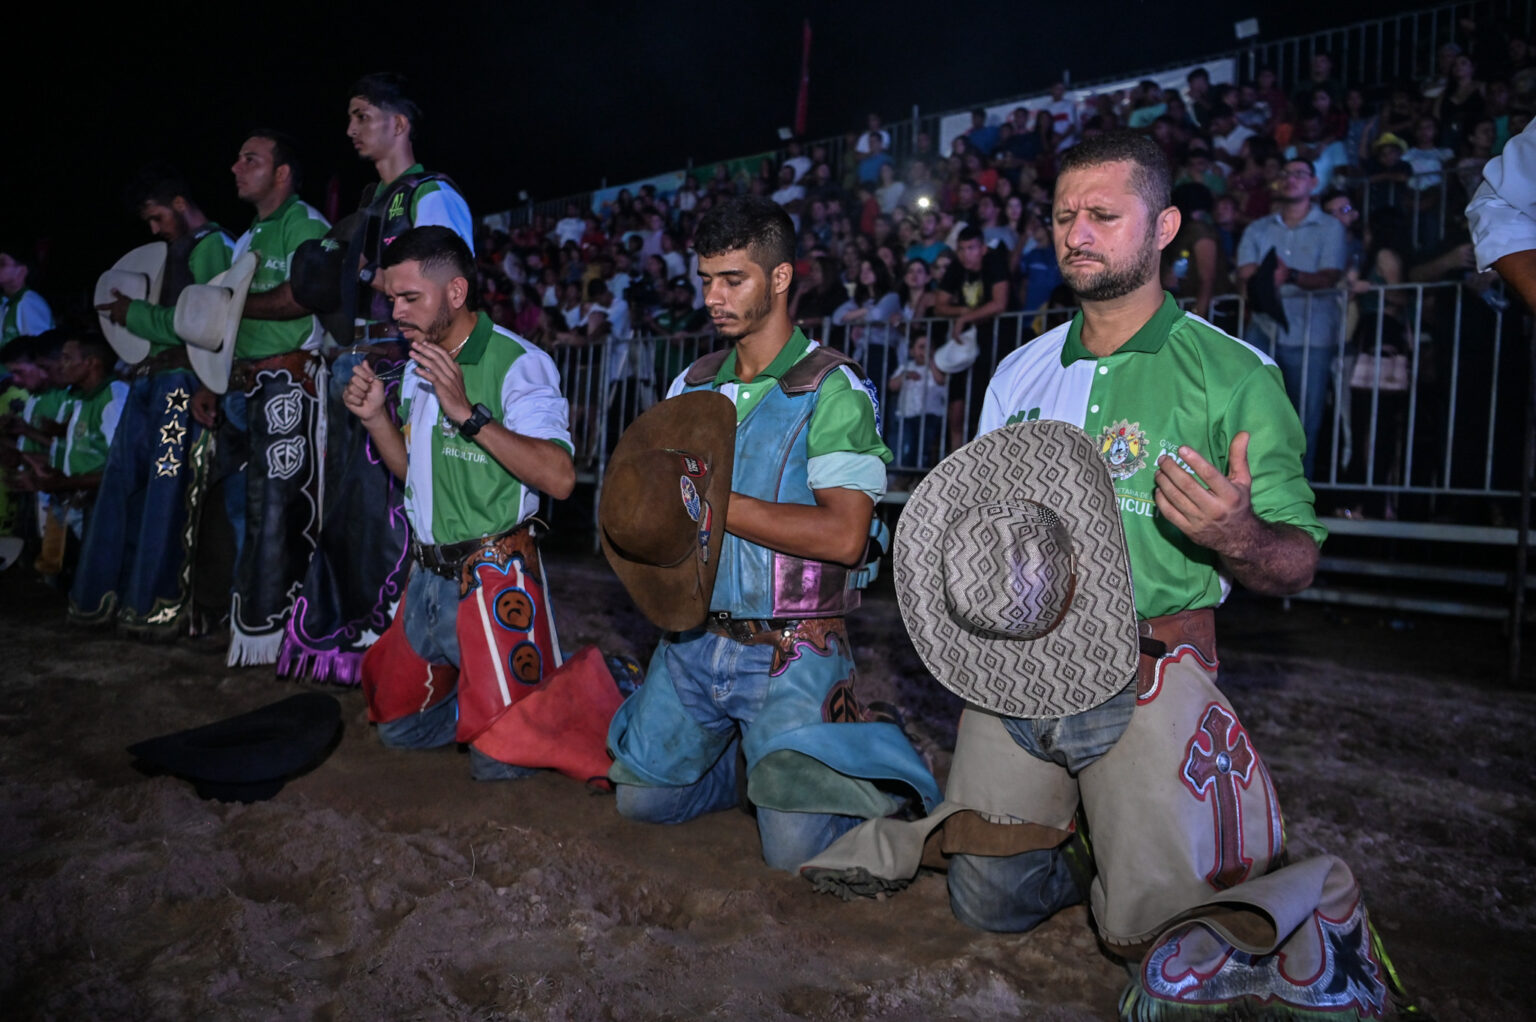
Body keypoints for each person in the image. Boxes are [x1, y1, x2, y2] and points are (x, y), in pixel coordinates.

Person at [802, 131, 1391, 1020]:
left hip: (1152, 667)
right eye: (1063, 215)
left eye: (1103, 215)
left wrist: (1239, 534)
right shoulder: (1019, 372)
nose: (1076, 233)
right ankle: (1088, 836)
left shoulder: (1236, 373)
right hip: (1021, 668)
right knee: (986, 902)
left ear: (1165, 227)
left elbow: (1297, 561)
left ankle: (1294, 899)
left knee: (1155, 934)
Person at [604, 195, 938, 870]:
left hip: (792, 645)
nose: (714, 298)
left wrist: (710, 502)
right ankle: (753, 766)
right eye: (706, 280)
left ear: (781, 277)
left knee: (791, 853)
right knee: (641, 802)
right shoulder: (692, 382)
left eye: (734, 280)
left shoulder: (832, 388)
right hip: (694, 639)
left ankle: (865, 754)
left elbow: (845, 538)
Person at [344, 226, 575, 779]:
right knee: (400, 729)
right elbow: (414, 476)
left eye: (410, 298)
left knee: (499, 766)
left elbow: (560, 478)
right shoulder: (417, 363)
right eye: (392, 299)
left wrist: (467, 414)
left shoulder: (518, 362)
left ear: (455, 292)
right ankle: (491, 702)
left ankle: (544, 698)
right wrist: (375, 418)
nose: (396, 312)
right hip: (425, 580)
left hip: (493, 580)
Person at [280, 73, 477, 684]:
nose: (351, 129)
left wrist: (370, 278)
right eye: (350, 117)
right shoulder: (372, 202)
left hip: (405, 363)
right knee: (350, 502)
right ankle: (352, 633)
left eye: (362, 115)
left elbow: (450, 283)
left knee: (388, 502)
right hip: (359, 356)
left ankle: (398, 637)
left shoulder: (431, 193)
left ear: (400, 123)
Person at [73, 165, 234, 637]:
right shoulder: (175, 248)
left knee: (168, 488)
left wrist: (135, 314)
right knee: (122, 486)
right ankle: (107, 599)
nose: (154, 228)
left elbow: (203, 323)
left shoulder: (212, 244)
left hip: (182, 384)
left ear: (180, 204)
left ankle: (156, 606)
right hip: (149, 380)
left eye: (157, 217)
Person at [202, 130, 330, 666]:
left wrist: (228, 304)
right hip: (243, 386)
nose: (236, 167)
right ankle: (249, 625)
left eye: (250, 159)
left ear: (281, 173)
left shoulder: (305, 223)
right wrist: (212, 381)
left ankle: (286, 631)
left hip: (286, 385)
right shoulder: (248, 237)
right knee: (247, 513)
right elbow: (227, 324)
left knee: (281, 511)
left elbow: (300, 297)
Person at [1236, 157, 1347, 478]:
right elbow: (1245, 271)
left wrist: (1289, 275)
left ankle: (1297, 491)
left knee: (1304, 419)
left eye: (1299, 174)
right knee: (1252, 414)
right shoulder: (1259, 228)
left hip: (1311, 333)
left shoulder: (1330, 227)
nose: (1290, 179)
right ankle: (1253, 487)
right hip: (1263, 329)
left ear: (1314, 183)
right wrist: (1267, 276)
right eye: (1285, 173)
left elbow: (1329, 275)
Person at [934, 225, 1011, 451]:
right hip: (966, 343)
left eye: (971, 248)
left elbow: (999, 303)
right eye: (961, 249)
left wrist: (964, 318)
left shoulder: (994, 262)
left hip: (997, 340)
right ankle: (956, 460)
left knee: (986, 401)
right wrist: (964, 313)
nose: (966, 254)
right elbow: (939, 305)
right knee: (957, 405)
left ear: (983, 249)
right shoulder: (957, 267)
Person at [0, 251, 53, 343]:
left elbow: (40, 347)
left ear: (22, 271)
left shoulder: (29, 302)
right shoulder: (7, 302)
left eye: (2, 264)